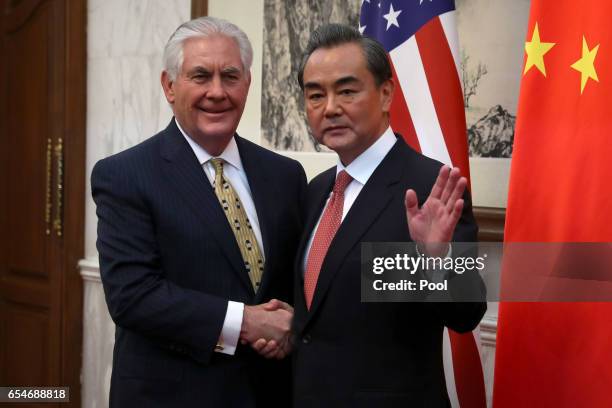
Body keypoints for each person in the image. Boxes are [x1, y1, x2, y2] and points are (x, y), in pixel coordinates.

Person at [91, 17, 305, 407]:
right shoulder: (124, 175)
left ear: (248, 83)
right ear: (169, 86)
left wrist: (291, 324)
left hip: (269, 393)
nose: (217, 92)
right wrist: (247, 322)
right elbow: (133, 297)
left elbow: (296, 280)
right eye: (201, 76)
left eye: (230, 76)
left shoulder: (286, 175)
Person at [287, 24, 487, 407]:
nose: (330, 108)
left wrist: (436, 261)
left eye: (347, 90)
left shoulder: (432, 187)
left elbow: (468, 313)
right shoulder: (316, 190)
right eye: (316, 95)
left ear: (385, 94)